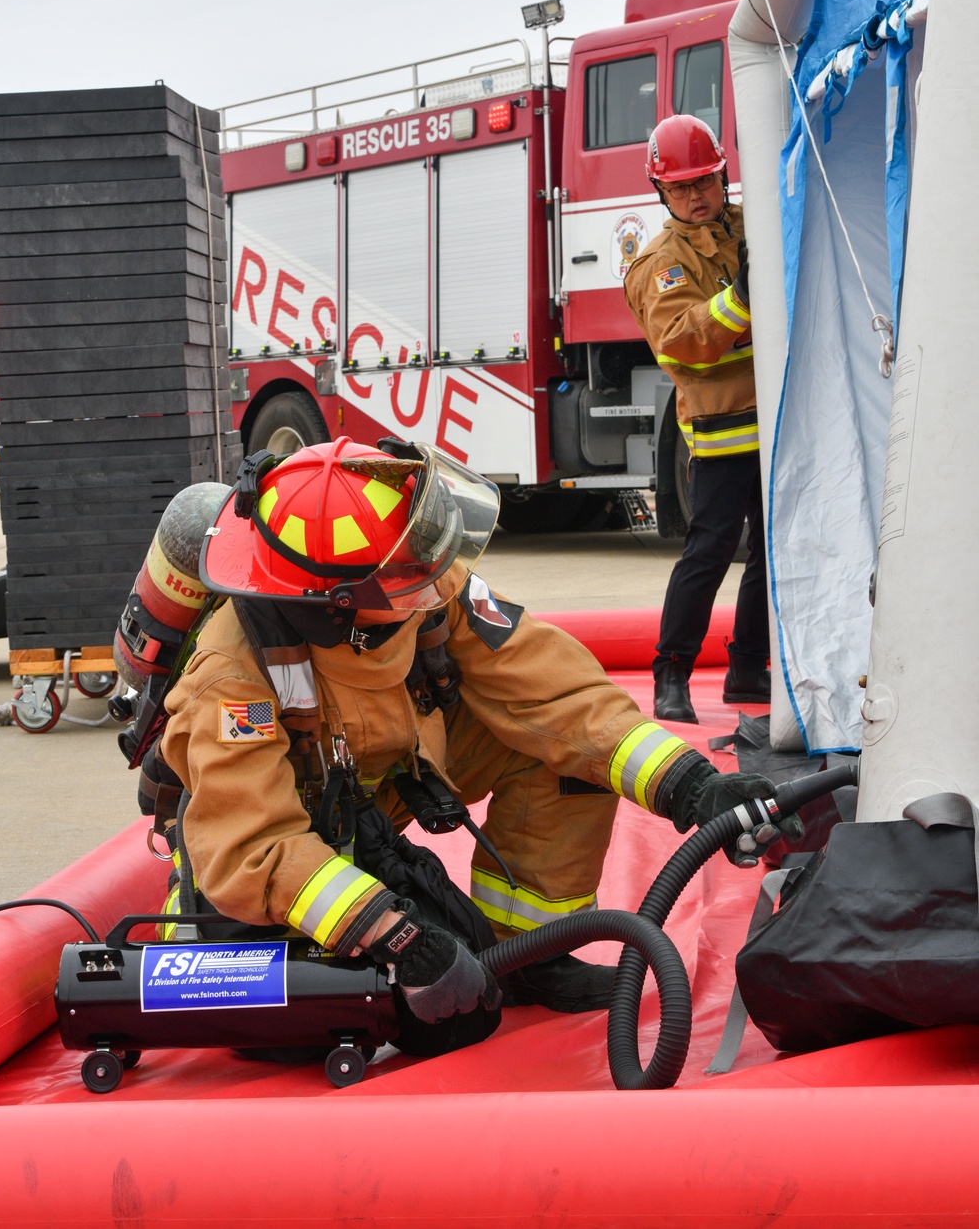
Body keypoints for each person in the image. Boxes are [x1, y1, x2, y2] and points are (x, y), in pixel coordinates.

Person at [154, 435, 792, 1035]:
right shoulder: (230, 679)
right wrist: (397, 936)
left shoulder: (419, 582)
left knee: (568, 751)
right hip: (267, 867)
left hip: (384, 781)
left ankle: (528, 956)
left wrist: (691, 784)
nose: (437, 573)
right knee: (324, 1012)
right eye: (411, 566)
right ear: (339, 601)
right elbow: (253, 849)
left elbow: (556, 690)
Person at [624, 114, 770, 725]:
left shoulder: (751, 225)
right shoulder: (662, 263)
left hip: (780, 419)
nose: (694, 195)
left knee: (774, 552)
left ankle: (747, 669)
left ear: (723, 175)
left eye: (704, 182)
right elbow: (683, 341)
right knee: (709, 549)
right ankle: (671, 673)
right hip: (720, 431)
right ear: (661, 193)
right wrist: (742, 298)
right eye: (680, 188)